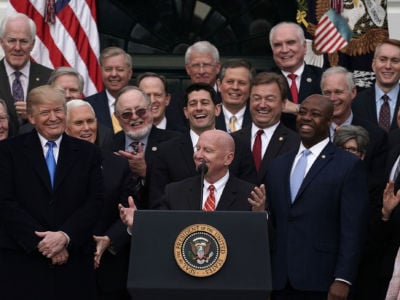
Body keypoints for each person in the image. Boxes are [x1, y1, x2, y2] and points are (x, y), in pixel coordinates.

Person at [0, 85, 103, 300]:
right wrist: (43, 243)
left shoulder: (88, 153)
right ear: (31, 117)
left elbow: (94, 201)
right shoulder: (8, 151)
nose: (53, 117)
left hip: (73, 264)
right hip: (23, 261)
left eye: (58, 110)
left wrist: (65, 237)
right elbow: (5, 202)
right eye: (45, 112)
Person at [266, 94, 369, 299]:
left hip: (322, 281)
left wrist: (343, 279)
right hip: (279, 280)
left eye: (315, 114)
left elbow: (353, 227)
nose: (306, 118)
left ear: (329, 121)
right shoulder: (278, 165)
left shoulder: (347, 165)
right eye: (302, 112)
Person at [120, 130, 266, 230]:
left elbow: (266, 243)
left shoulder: (249, 195)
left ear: (228, 158)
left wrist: (259, 215)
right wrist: (137, 224)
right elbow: (160, 229)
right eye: (197, 149)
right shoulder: (175, 192)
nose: (198, 155)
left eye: (207, 150)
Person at [65, 99, 136, 300]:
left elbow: (129, 212)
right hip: (64, 267)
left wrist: (109, 239)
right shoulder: (52, 165)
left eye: (90, 121)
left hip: (109, 271)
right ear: (65, 127)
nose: (87, 128)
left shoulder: (118, 165)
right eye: (79, 123)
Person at [148, 82, 256, 209]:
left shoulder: (239, 147)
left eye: (205, 103)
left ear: (217, 109)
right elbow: (157, 204)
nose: (199, 108)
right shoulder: (166, 151)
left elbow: (249, 196)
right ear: (186, 112)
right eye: (193, 104)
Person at [113, 85, 179, 208]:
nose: (134, 117)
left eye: (140, 111)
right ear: (117, 118)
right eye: (126, 114)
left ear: (150, 110)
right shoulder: (109, 144)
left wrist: (145, 172)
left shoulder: (173, 142)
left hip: (158, 217)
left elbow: (179, 189)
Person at [321, 66, 388, 185]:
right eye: (327, 93)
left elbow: (375, 187)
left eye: (338, 92)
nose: (332, 98)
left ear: (353, 93)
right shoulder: (313, 133)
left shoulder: (375, 136)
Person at [232, 72, 300, 185]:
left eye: (270, 99)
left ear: (283, 104)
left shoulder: (296, 143)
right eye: (257, 98)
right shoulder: (232, 140)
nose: (262, 105)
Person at [0, 12, 53, 136]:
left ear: (33, 44)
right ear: (2, 42)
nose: (17, 47)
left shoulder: (49, 78)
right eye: (12, 41)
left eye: (24, 41)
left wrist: (34, 113)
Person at [268, 21, 323, 130]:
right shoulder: (265, 81)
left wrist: (298, 109)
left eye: (290, 42)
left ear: (304, 46)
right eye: (278, 45)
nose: (284, 50)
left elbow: (333, 111)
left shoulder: (323, 77)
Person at [352, 39, 400, 133]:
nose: (388, 66)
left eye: (395, 61)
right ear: (374, 65)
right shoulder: (356, 102)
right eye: (383, 60)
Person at [86, 46, 133, 133]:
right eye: (108, 69)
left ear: (129, 73)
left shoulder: (142, 103)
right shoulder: (88, 105)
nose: (114, 74)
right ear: (101, 72)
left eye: (120, 69)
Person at [215, 58, 254, 132]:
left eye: (242, 83)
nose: (235, 87)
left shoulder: (260, 118)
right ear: (219, 85)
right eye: (230, 82)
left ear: (251, 88)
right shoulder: (208, 117)